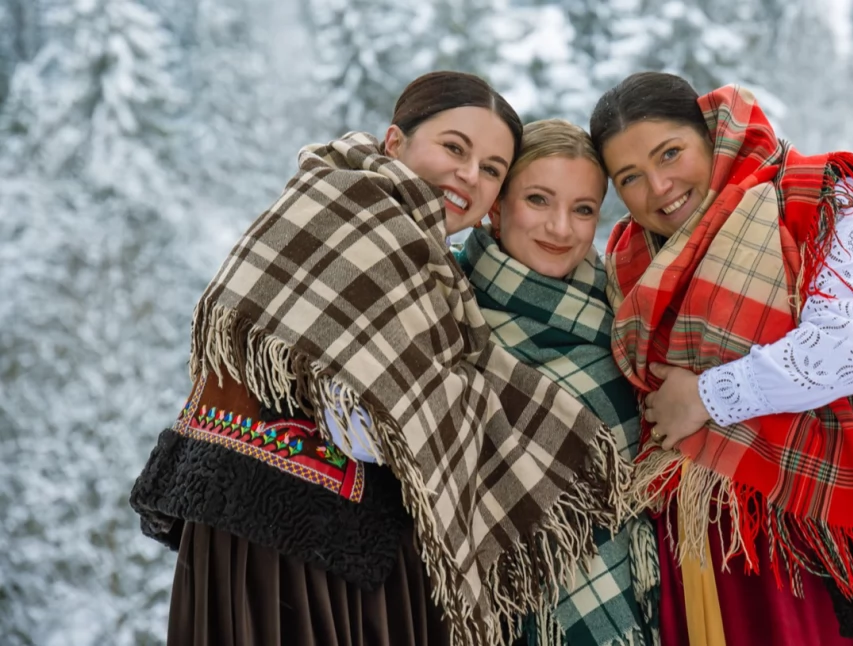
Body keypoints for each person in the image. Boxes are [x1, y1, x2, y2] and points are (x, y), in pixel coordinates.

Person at [130, 71, 629, 646]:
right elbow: (362, 417)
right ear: (396, 143)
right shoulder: (352, 209)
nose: (469, 175)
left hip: (328, 537)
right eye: (454, 147)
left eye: (491, 169)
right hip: (278, 539)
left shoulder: (422, 256)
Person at [589, 72, 853, 645]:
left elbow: (849, 350)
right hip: (729, 555)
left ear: (712, 134)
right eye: (630, 177)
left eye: (671, 153)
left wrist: (705, 397)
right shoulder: (630, 260)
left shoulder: (829, 196)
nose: (659, 187)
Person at [451, 118, 660, 646]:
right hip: (510, 612)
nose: (561, 229)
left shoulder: (625, 307)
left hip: (653, 599)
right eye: (539, 200)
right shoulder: (447, 308)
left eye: (583, 209)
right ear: (496, 206)